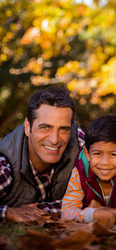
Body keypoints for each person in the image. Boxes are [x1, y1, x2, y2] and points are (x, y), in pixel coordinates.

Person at [0, 86, 85, 223]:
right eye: (45, 127)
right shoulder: (5, 165)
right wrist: (8, 212)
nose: (54, 139)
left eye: (63, 129)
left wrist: (43, 209)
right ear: (28, 127)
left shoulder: (81, 146)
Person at [61, 114, 116, 223]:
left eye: (113, 154)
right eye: (97, 153)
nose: (104, 162)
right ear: (87, 154)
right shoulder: (80, 173)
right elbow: (67, 211)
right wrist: (92, 215)